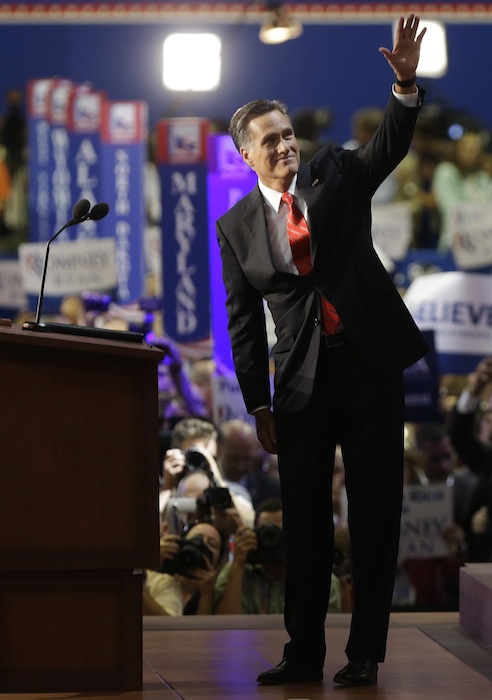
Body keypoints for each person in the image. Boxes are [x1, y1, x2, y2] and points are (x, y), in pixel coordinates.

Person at [215, 15, 428, 687]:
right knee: (305, 525)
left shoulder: (336, 171)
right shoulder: (236, 227)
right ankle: (302, 651)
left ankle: (365, 654)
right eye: (269, 140)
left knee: (373, 514)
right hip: (301, 385)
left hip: (367, 367)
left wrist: (404, 88)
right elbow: (242, 320)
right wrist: (257, 401)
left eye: (286, 134)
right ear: (245, 155)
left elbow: (386, 150)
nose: (284, 146)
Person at [214, 497, 343, 615]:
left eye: (280, 532)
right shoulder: (237, 571)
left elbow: (326, 632)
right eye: (266, 533)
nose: (272, 540)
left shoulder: (318, 578)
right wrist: (238, 565)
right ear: (254, 534)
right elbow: (228, 627)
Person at [143, 521, 226, 615]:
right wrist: (148, 559)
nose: (201, 546)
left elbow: (200, 629)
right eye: (195, 539)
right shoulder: (158, 575)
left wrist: (207, 595)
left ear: (218, 562)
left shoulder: (215, 596)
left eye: (212, 544)